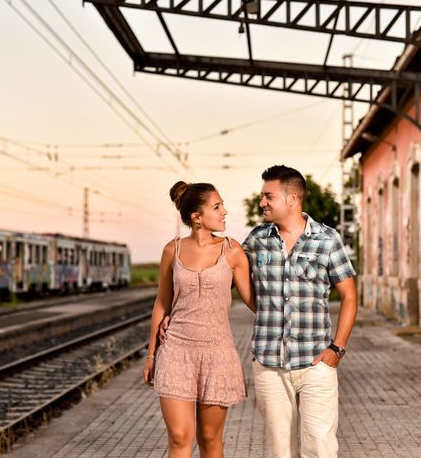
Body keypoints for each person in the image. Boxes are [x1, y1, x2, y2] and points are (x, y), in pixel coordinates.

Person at [244, 165, 358, 458]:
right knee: (281, 452)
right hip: (269, 363)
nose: (262, 203)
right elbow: (226, 276)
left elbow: (349, 296)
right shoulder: (257, 240)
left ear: (292, 199)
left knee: (320, 447)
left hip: (316, 362)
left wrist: (337, 350)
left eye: (268, 196)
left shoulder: (327, 239)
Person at [143, 181, 256, 458]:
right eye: (217, 207)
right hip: (176, 351)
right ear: (197, 217)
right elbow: (162, 302)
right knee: (180, 437)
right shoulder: (173, 250)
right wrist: (151, 355)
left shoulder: (232, 251)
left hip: (217, 353)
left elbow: (254, 302)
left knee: (209, 439)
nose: (225, 211)